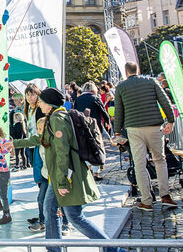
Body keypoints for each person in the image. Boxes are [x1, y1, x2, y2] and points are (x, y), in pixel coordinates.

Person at [13, 87, 124, 252]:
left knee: (73, 216)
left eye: (42, 101)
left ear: (49, 104)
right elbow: (41, 139)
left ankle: (113, 249)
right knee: (51, 209)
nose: (39, 104)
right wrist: (14, 144)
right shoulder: (54, 117)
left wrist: (63, 181)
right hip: (61, 175)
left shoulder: (57, 119)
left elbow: (62, 152)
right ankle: (54, 248)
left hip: (65, 175)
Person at [114, 61, 177, 211]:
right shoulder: (151, 81)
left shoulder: (121, 87)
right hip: (154, 126)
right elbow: (165, 101)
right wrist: (171, 121)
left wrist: (117, 132)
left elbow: (118, 111)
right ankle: (165, 195)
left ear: (126, 71)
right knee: (160, 160)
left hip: (134, 128)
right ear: (138, 70)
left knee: (139, 164)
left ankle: (146, 200)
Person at [29, 117, 48, 232]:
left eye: (42, 128)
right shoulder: (38, 142)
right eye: (38, 128)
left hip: (51, 177)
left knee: (45, 200)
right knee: (42, 199)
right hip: (43, 176)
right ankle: (43, 221)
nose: (39, 131)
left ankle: (65, 222)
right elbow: (37, 163)